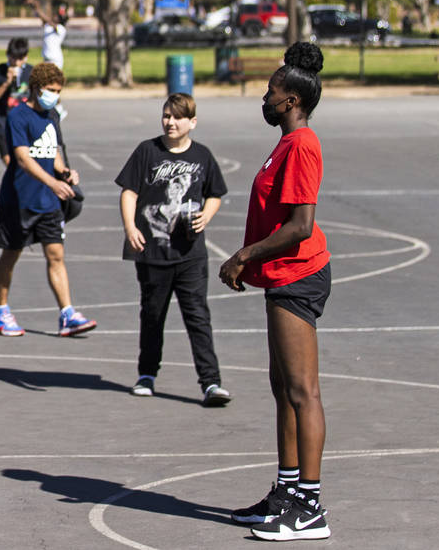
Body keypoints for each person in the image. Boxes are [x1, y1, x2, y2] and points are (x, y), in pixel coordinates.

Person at [220, 42, 332, 541]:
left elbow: (300, 226)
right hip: (281, 276)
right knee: (281, 388)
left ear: (290, 102)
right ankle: (286, 492)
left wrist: (245, 255)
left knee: (303, 391)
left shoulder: (303, 144)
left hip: (299, 275)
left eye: (270, 93)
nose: (264, 99)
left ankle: (309, 506)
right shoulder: (285, 144)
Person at [114, 93, 231, 406]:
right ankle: (147, 374)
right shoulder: (147, 151)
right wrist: (130, 227)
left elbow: (215, 193)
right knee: (153, 315)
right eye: (166, 115)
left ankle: (211, 382)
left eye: (178, 117)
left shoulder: (202, 156)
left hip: (191, 254)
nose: (170, 121)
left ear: (192, 122)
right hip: (153, 251)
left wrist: (207, 214)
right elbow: (129, 192)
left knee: (198, 317)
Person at [0, 62, 97, 338]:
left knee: (56, 254)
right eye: (50, 90)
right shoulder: (18, 116)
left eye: (58, 91)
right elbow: (22, 158)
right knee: (11, 254)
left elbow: (53, 150)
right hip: (19, 199)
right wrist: (53, 183)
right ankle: (2, 312)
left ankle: (67, 313)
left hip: (48, 201)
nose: (54, 95)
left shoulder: (52, 115)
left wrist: (64, 171)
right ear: (35, 88)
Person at [0, 37, 32, 165]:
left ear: (25, 57)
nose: (15, 62)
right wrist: (6, 83)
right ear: (7, 55)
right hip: (4, 126)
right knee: (11, 166)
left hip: (26, 126)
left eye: (19, 58)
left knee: (27, 165)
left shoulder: (31, 72)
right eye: (12, 57)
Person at [25, 0, 68, 69]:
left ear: (60, 20)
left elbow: (47, 19)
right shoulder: (48, 26)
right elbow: (41, 16)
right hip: (46, 58)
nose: (54, 16)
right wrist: (35, 6)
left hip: (55, 59)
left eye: (56, 16)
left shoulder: (61, 29)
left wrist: (38, 8)